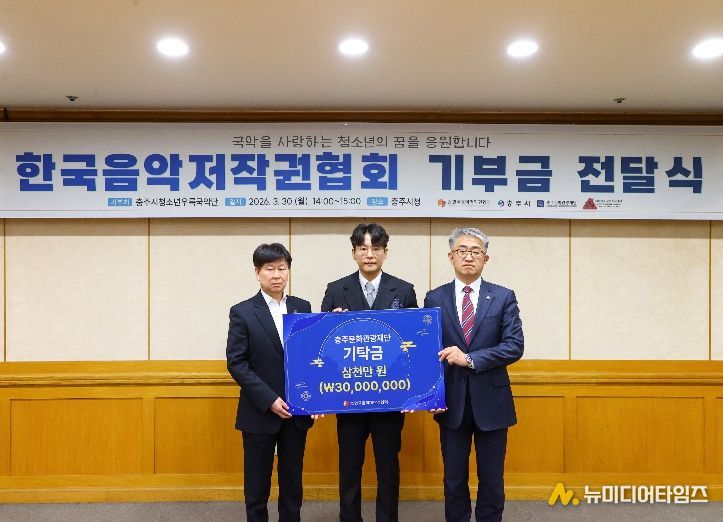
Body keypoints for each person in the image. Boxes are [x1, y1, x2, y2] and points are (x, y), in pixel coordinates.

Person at [424, 227, 524, 522]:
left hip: (492, 402)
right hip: (450, 401)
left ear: (485, 258)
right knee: (454, 479)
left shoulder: (503, 297)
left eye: (476, 251)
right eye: (462, 251)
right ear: (451, 257)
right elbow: (426, 350)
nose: (469, 257)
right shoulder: (434, 298)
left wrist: (468, 359)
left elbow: (514, 346)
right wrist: (430, 395)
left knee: (491, 478)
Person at [321, 223, 418, 522]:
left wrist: (414, 391)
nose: (370, 254)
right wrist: (331, 324)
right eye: (363, 248)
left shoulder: (404, 290)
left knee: (388, 467)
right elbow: (323, 346)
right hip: (348, 398)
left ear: (385, 252)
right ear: (353, 253)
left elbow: (414, 345)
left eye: (376, 248)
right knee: (349, 466)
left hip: (390, 398)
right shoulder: (336, 289)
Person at [226, 243, 314, 522]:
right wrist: (269, 400)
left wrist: (314, 398)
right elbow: (237, 363)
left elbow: (310, 357)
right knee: (257, 485)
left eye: (282, 268)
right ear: (257, 272)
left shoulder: (302, 307)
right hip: (259, 411)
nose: (277, 275)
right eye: (270, 269)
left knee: (292, 483)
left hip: (296, 412)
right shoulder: (242, 311)